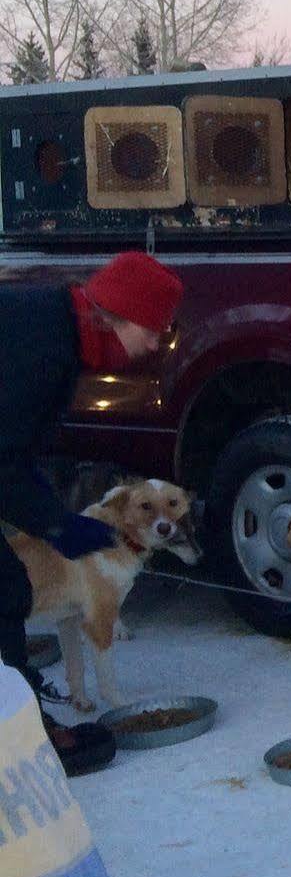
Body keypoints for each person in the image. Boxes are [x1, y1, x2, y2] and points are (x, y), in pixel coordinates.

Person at [1, 250, 184, 776]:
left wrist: (57, 522)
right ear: (118, 315)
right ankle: (24, 743)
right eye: (152, 329)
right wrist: (59, 526)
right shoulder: (43, 345)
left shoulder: (62, 333)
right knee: (7, 589)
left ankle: (24, 726)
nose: (156, 343)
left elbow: (17, 451)